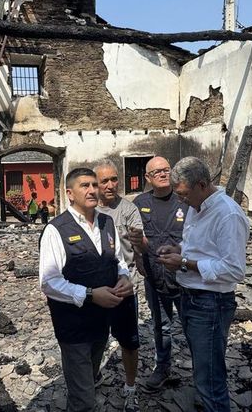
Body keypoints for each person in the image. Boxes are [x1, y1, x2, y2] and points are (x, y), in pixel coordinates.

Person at [157, 157, 248, 412]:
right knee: (203, 369)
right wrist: (178, 249)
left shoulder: (227, 214)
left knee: (210, 380)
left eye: (184, 194)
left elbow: (234, 269)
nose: (181, 200)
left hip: (211, 304)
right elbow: (201, 249)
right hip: (191, 298)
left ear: (202, 184)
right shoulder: (196, 208)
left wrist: (184, 262)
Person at [39, 168, 133, 412]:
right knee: (84, 400)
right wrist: (91, 294)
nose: (92, 190)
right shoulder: (56, 229)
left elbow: (118, 260)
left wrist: (124, 276)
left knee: (89, 378)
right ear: (70, 194)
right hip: (73, 326)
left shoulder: (107, 222)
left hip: (102, 322)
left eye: (94, 185)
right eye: (85, 186)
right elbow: (49, 282)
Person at [131, 156, 190, 390]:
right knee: (161, 326)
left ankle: (203, 376)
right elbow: (134, 235)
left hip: (186, 277)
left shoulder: (185, 199)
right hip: (155, 278)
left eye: (167, 170)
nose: (163, 174)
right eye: (157, 172)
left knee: (192, 327)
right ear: (148, 178)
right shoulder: (139, 202)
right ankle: (162, 367)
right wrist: (137, 257)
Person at [93, 161, 144, 412]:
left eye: (114, 179)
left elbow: (139, 246)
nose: (111, 185)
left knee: (129, 341)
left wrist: (141, 244)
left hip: (124, 289)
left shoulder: (128, 210)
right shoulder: (88, 210)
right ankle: (93, 376)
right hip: (96, 291)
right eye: (105, 181)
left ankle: (131, 387)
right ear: (96, 183)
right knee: (95, 338)